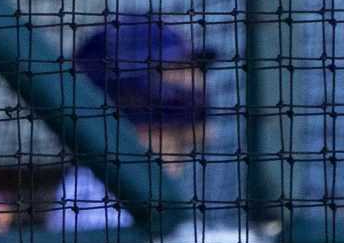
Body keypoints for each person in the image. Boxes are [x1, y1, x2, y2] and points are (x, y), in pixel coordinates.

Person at [49, 13, 218, 228]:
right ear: (132, 90)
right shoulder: (98, 199)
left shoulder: (156, 180)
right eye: (179, 69)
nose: (198, 81)